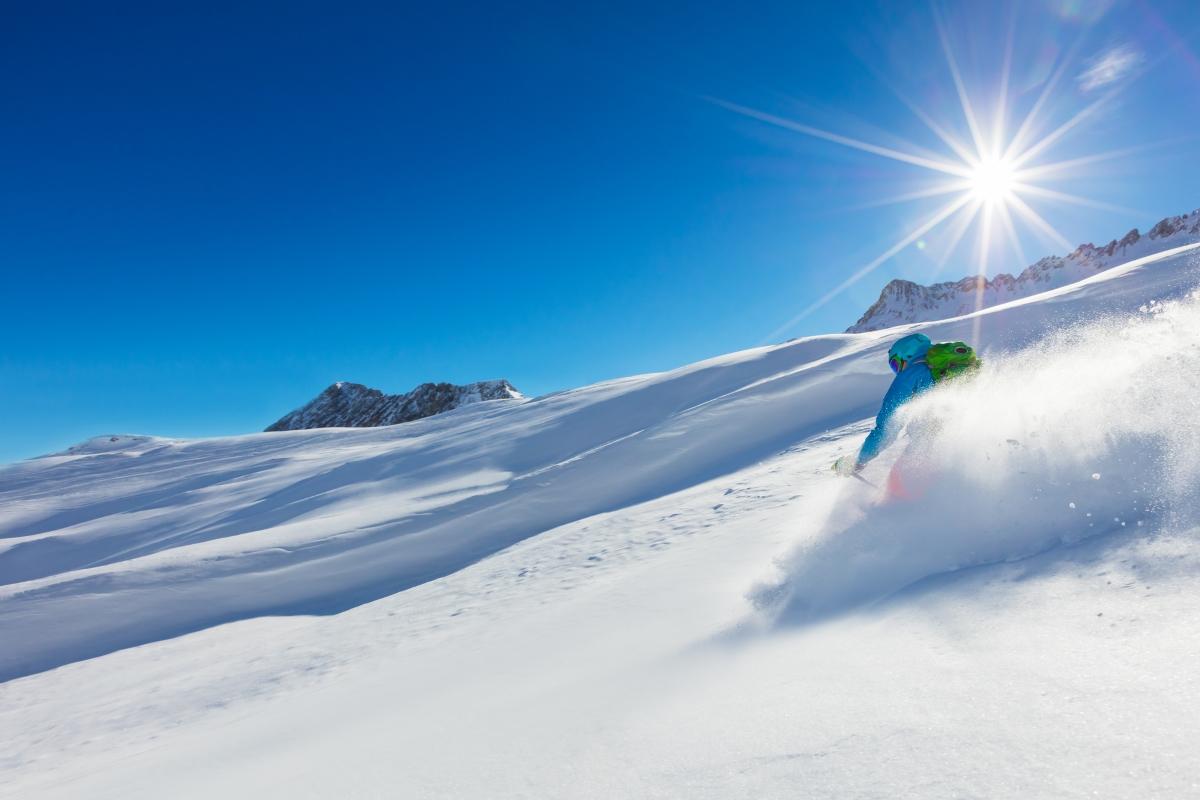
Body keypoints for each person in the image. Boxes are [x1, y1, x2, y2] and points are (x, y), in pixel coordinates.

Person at [834, 332, 935, 475]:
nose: (897, 370)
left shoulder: (910, 374)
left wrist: (858, 461)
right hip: (962, 441)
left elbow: (887, 428)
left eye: (895, 364)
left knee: (899, 487)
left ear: (907, 355)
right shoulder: (946, 368)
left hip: (929, 447)